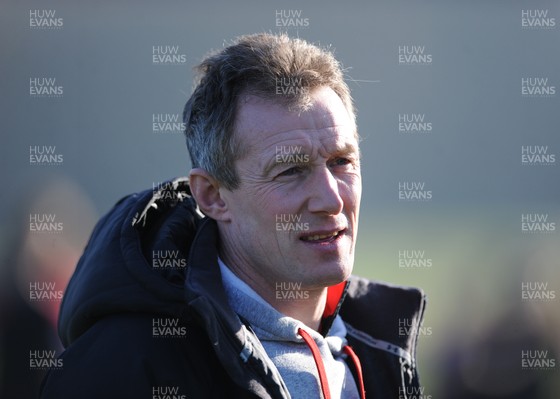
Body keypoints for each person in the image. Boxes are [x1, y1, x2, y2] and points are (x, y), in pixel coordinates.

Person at [41, 33, 426, 398]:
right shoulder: (124, 370)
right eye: (290, 171)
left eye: (342, 161)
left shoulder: (382, 353)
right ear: (212, 196)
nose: (331, 198)